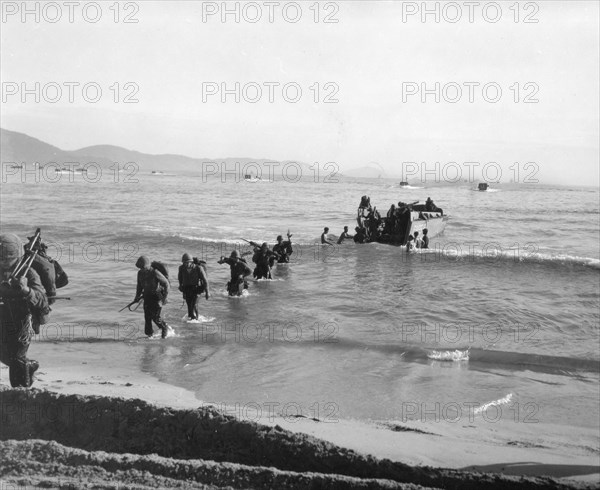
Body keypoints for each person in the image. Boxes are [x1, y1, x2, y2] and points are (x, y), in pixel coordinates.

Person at [0, 233, 49, 387]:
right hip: (3, 316)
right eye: (1, 257)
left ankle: (22, 393)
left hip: (23, 321)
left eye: (8, 256)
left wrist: (27, 290)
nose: (4, 260)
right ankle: (29, 365)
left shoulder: (29, 273)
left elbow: (43, 302)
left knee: (16, 362)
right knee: (6, 358)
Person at [133, 255, 171, 338]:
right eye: (140, 268)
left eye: (142, 267)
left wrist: (165, 297)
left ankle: (164, 329)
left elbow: (166, 284)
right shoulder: (140, 273)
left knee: (156, 317)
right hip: (147, 297)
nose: (141, 269)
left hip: (157, 297)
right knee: (147, 317)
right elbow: (139, 286)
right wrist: (137, 297)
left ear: (147, 266)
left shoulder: (155, 272)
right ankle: (149, 336)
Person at [178, 253, 210, 321]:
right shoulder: (181, 268)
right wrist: (180, 286)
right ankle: (191, 322)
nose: (186, 264)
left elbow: (205, 281)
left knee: (194, 305)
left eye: (187, 263)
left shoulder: (198, 268)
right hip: (187, 289)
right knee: (189, 306)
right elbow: (180, 278)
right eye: (184, 263)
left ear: (191, 262)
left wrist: (207, 292)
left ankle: (197, 319)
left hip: (197, 289)